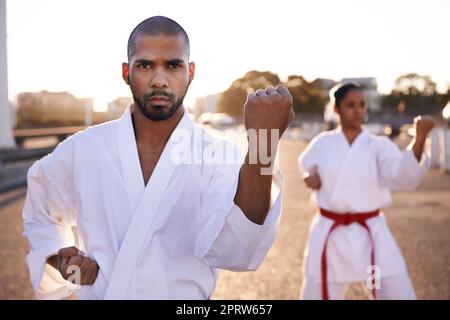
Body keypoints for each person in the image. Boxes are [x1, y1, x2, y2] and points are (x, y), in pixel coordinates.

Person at [23, 16, 294, 299]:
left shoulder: (216, 155)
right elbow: (40, 214)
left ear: (190, 71)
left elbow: (238, 249)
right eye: (145, 65)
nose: (159, 80)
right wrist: (62, 261)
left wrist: (265, 141)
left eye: (173, 65)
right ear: (127, 72)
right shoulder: (83, 149)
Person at [298, 82, 434, 300]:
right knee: (316, 293)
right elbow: (307, 168)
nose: (358, 110)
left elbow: (402, 176)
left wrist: (420, 138)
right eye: (350, 105)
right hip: (330, 234)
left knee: (399, 292)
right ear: (336, 109)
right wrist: (311, 179)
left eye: (362, 104)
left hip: (372, 232)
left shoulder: (378, 145)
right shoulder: (322, 144)